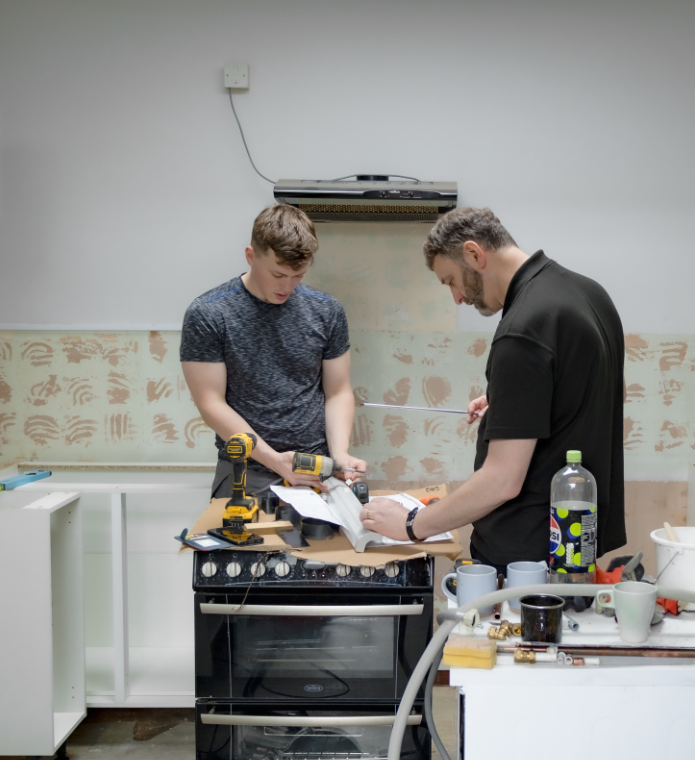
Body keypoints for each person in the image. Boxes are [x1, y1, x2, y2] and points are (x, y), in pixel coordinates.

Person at [359, 206, 625, 569]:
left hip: (525, 562)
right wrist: (513, 403)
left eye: (450, 280)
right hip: (576, 548)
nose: (456, 297)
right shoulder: (588, 294)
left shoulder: (523, 330)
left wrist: (410, 526)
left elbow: (502, 481)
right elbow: (583, 398)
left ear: (473, 254)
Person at [180, 204, 366, 499]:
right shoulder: (209, 313)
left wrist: (340, 455)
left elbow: (338, 391)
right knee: (241, 544)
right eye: (278, 274)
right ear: (251, 256)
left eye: (298, 276)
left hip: (315, 469)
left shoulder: (326, 310)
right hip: (245, 472)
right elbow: (211, 404)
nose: (287, 286)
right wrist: (275, 461)